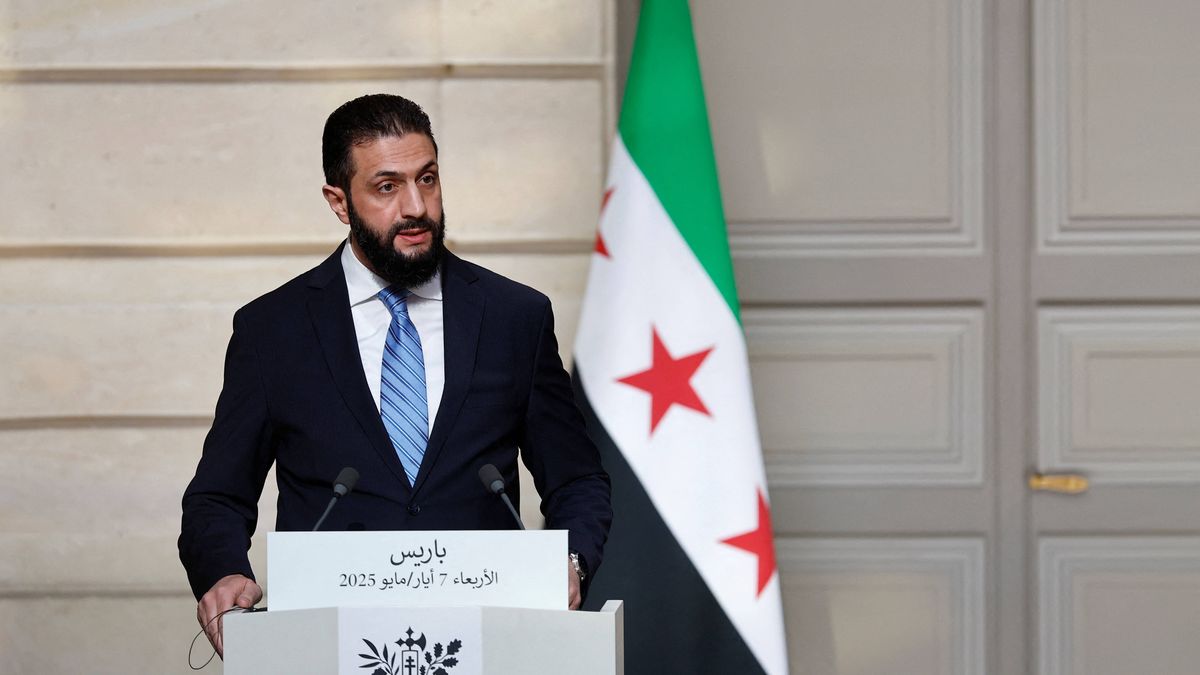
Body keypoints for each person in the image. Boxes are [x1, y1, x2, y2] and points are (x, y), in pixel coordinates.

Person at [178, 93, 612, 656]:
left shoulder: (515, 318)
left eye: (427, 179)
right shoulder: (272, 330)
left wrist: (570, 559)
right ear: (339, 201)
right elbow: (217, 496)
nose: (416, 207)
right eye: (387, 187)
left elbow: (576, 479)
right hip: (327, 646)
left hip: (495, 643)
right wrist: (222, 572)